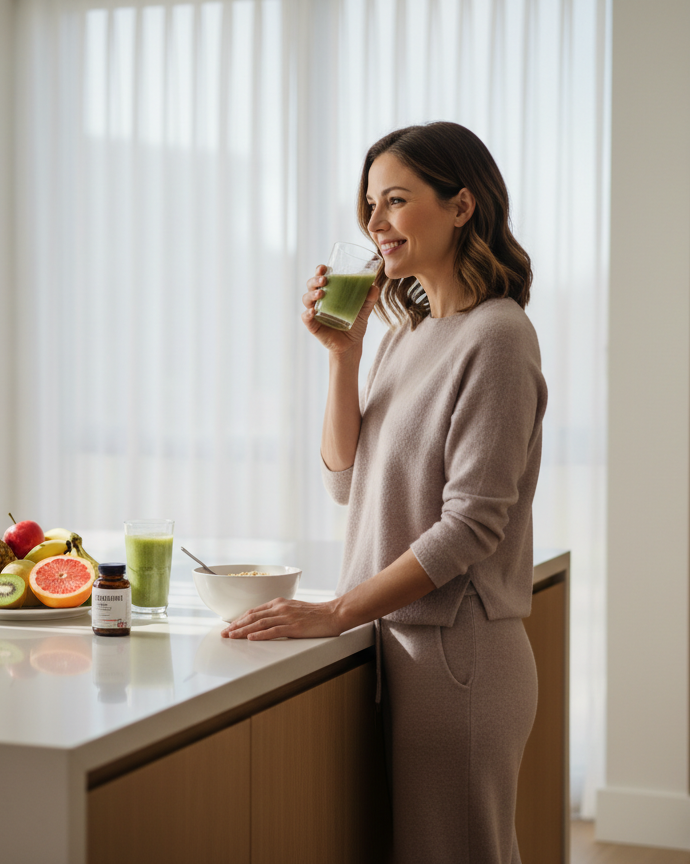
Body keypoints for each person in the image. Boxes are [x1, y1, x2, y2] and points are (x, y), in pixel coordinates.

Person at [221, 121, 547, 864]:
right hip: (401, 645)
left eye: (395, 201)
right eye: (369, 205)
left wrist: (336, 610)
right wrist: (345, 354)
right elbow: (345, 478)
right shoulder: (410, 330)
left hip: (458, 657)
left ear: (462, 206)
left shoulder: (497, 336)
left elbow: (469, 528)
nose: (373, 225)